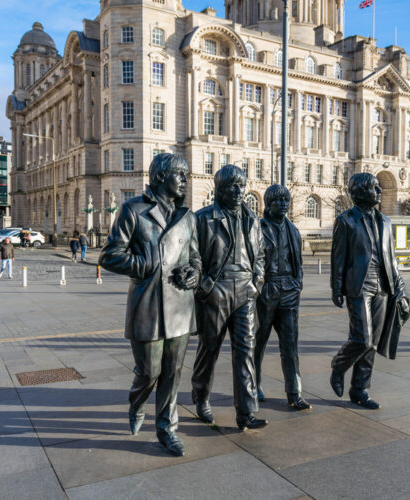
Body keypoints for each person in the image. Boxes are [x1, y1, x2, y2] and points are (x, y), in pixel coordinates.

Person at [99, 153, 201, 457]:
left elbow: (195, 256)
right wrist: (143, 264)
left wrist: (194, 273)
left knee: (173, 372)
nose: (185, 180)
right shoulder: (134, 210)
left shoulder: (188, 217)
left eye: (186, 175)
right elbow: (110, 256)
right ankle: (137, 400)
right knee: (149, 371)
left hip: (180, 306)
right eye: (179, 175)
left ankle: (167, 430)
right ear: (160, 177)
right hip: (148, 305)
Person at [190, 165, 268, 431]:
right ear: (219, 188)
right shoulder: (202, 218)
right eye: (232, 186)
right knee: (208, 349)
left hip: (246, 291)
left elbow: (260, 256)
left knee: (245, 351)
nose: (238, 191)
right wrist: (205, 287)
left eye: (241, 185)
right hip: (216, 291)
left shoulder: (253, 220)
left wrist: (256, 282)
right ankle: (201, 398)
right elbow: (193, 257)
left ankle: (246, 412)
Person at [330, 173, 406, 409]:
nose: (379, 191)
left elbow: (391, 257)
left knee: (373, 342)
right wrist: (337, 287)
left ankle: (360, 389)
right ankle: (339, 365)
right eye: (375, 188)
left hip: (383, 286)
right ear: (361, 192)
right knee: (362, 338)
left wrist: (399, 285)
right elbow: (338, 258)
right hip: (358, 285)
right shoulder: (346, 220)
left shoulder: (385, 221)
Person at [254, 185, 310, 411]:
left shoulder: (293, 230)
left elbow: (298, 263)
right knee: (258, 343)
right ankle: (253, 384)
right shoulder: (257, 228)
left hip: (288, 291)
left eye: (286, 200)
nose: (284, 204)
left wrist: (297, 285)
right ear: (269, 203)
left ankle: (294, 392)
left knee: (290, 345)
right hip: (265, 290)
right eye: (279, 201)